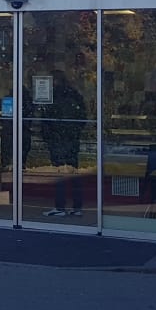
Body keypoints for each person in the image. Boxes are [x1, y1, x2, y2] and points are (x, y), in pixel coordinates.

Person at [41, 70, 87, 217]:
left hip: (58, 140)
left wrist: (48, 136)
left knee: (59, 175)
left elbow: (47, 120)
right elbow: (82, 118)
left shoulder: (53, 97)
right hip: (72, 140)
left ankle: (60, 207)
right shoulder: (75, 96)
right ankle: (77, 207)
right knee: (74, 174)